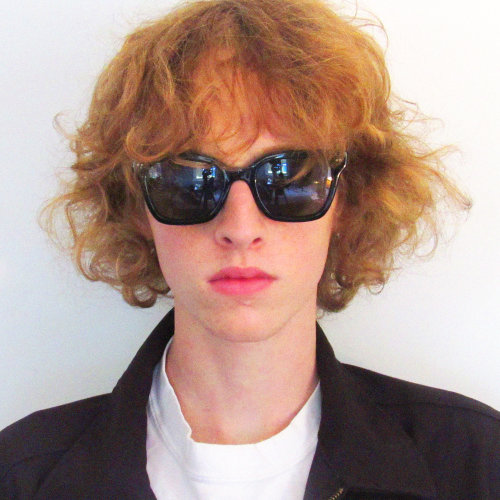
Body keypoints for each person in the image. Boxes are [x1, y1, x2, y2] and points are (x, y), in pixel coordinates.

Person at [1, 0, 499, 498]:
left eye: (289, 177)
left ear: (346, 201)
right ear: (137, 206)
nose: (240, 229)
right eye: (190, 179)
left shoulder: (475, 463)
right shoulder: (19, 477)